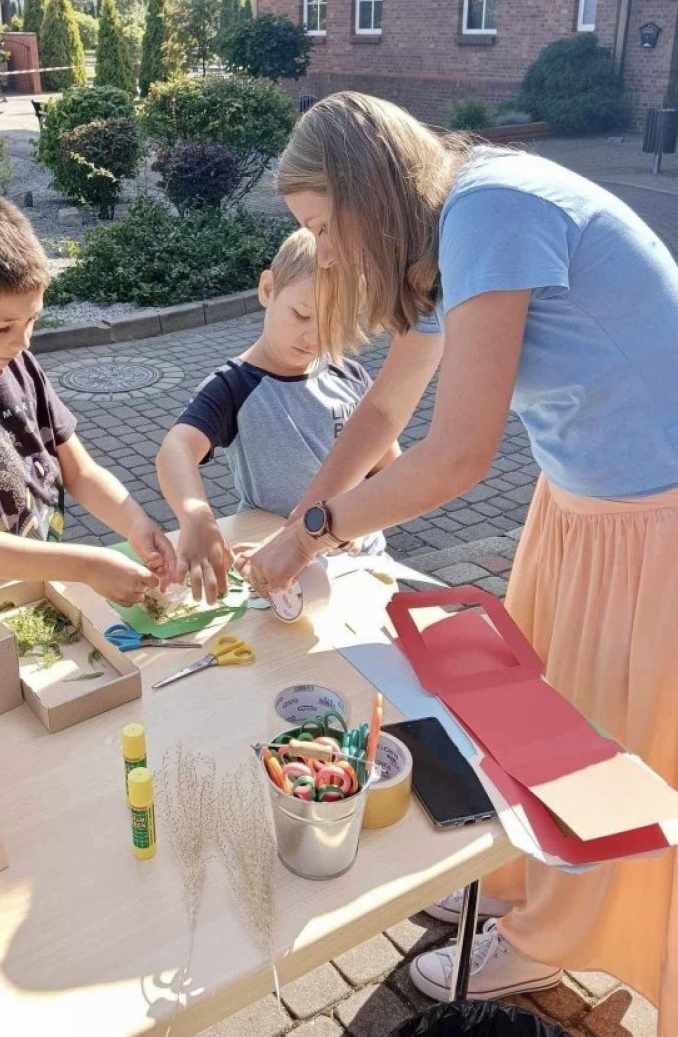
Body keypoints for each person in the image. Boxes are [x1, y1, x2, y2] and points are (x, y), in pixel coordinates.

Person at [238, 91, 678, 1023]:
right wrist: (297, 526)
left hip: (652, 520)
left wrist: (317, 532)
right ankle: (515, 880)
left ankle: (545, 939)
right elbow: (386, 412)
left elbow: (458, 454)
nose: (328, 253)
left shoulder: (490, 212)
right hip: (585, 505)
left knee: (602, 742)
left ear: (368, 193)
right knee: (541, 715)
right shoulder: (453, 224)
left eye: (325, 226)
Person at [0, 189, 175, 605]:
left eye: (32, 320)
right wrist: (85, 565)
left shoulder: (19, 364)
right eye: (2, 327)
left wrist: (136, 523)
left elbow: (80, 472)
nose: (22, 342)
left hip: (36, 588)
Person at [156, 227, 396, 603]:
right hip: (277, 570)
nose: (314, 337)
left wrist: (364, 524)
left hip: (361, 566)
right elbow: (176, 448)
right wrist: (197, 517)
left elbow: (390, 471)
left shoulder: (352, 377)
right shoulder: (233, 386)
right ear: (268, 289)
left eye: (333, 323)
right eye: (302, 315)